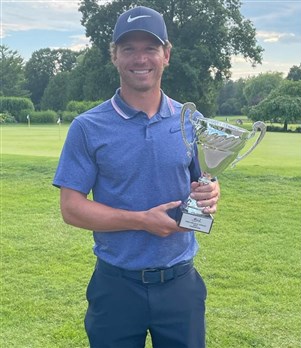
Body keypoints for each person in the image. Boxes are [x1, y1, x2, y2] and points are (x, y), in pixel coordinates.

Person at [53, 6, 219, 348]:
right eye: (128, 48)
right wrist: (143, 221)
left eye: (150, 48)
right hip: (116, 286)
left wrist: (211, 193)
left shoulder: (191, 119)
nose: (140, 58)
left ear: (167, 54)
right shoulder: (88, 127)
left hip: (180, 284)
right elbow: (71, 208)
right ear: (114, 56)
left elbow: (202, 182)